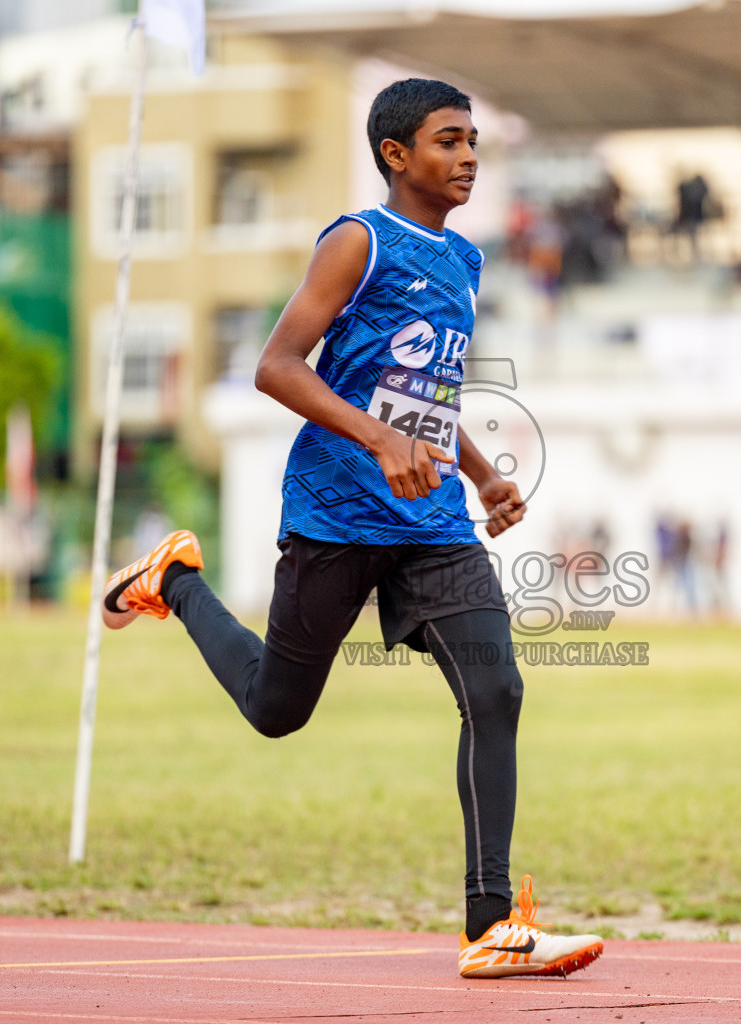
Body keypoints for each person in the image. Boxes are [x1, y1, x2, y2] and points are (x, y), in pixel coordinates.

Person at [100, 79, 602, 980]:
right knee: (276, 713)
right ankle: (175, 578)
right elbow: (275, 366)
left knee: (497, 692)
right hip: (336, 511)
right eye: (448, 141)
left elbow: (428, 400)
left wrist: (484, 478)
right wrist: (375, 441)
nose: (470, 157)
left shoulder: (469, 263)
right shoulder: (357, 243)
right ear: (395, 156)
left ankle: (491, 925)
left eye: (475, 140)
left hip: (433, 523)